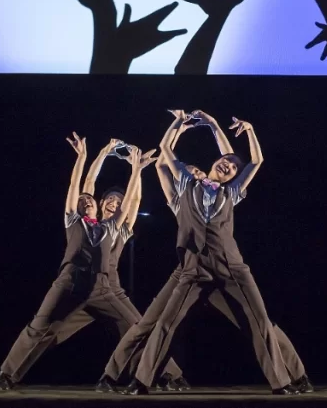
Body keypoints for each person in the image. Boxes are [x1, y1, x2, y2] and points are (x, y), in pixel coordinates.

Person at [109, 111, 311, 396]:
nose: (227, 164)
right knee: (166, 323)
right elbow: (166, 150)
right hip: (193, 269)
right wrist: (179, 122)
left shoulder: (233, 192)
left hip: (231, 269)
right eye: (224, 161)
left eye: (231, 165)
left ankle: (284, 382)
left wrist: (230, 127)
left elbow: (256, 161)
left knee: (260, 322)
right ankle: (141, 382)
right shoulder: (184, 187)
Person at [0, 134, 154, 389]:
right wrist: (88, 156)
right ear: (95, 204)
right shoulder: (75, 219)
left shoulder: (113, 227)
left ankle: (126, 377)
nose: (88, 200)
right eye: (89, 200)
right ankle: (7, 375)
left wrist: (137, 170)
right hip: (70, 281)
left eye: (117, 201)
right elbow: (80, 185)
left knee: (137, 326)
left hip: (104, 286)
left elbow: (132, 202)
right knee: (41, 326)